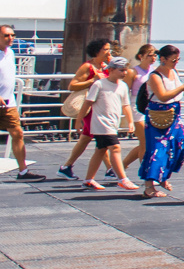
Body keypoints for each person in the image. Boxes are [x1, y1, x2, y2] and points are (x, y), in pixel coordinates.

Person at [137, 45, 184, 198]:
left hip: (174, 113)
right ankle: (149, 186)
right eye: (173, 60)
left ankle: (163, 175)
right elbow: (163, 96)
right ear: (163, 59)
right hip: (158, 114)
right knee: (157, 150)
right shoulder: (155, 76)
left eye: (178, 59)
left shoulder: (174, 72)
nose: (176, 62)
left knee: (182, 145)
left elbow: (177, 93)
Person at [55, 39, 113, 180]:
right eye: (106, 49)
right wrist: (92, 80)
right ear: (97, 51)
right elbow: (72, 85)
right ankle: (110, 169)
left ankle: (67, 167)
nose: (108, 52)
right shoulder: (88, 67)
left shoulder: (106, 67)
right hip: (90, 107)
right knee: (95, 136)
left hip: (101, 106)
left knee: (94, 137)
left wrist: (112, 65)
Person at [81, 57, 139, 191]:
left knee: (101, 150)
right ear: (111, 70)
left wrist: (130, 121)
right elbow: (88, 103)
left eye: (125, 70)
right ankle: (122, 179)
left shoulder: (123, 86)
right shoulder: (99, 84)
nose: (125, 73)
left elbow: (126, 105)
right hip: (101, 123)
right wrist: (79, 120)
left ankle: (88, 180)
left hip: (113, 123)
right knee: (115, 148)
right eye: (121, 70)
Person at [119, 44, 159, 175]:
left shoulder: (155, 71)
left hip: (150, 105)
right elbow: (124, 91)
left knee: (147, 142)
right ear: (141, 56)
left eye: (154, 55)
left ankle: (121, 166)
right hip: (135, 106)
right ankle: (146, 173)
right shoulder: (133, 72)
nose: (153, 58)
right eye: (149, 55)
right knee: (145, 141)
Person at [0, 24, 31, 178]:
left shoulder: (11, 53)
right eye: (6, 35)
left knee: (17, 133)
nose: (10, 38)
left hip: (8, 102)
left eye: (12, 35)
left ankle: (23, 171)